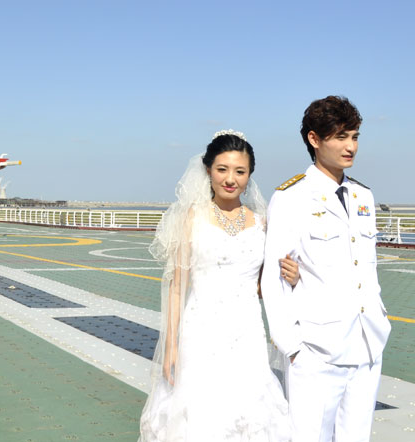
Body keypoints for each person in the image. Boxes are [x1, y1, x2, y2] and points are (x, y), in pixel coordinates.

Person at [139, 130, 297, 441]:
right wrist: (171, 346)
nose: (230, 179)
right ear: (208, 169)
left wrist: (290, 275)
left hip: (247, 333)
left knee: (250, 409)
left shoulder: (263, 223)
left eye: (240, 171)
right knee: (201, 413)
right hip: (200, 332)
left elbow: (265, 285)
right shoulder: (190, 218)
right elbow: (176, 287)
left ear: (250, 174)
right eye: (222, 169)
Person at [261, 96, 391, 441]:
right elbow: (273, 278)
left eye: (355, 136)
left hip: (367, 344)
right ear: (314, 139)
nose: (351, 147)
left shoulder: (363, 196)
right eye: (341, 137)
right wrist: (292, 347)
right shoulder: (291, 197)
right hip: (317, 350)